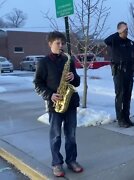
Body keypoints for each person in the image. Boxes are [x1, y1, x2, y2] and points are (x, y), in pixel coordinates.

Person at [33, 31, 83, 177]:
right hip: (55, 104)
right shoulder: (43, 62)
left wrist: (74, 76)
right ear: (50, 44)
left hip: (70, 103)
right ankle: (56, 163)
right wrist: (50, 95)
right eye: (57, 43)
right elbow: (37, 84)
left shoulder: (68, 60)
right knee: (55, 136)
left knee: (71, 135)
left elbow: (77, 82)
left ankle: (72, 160)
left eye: (62, 43)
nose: (61, 46)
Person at [104, 21, 134, 128]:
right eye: (124, 30)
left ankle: (127, 118)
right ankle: (120, 119)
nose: (126, 32)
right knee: (120, 95)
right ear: (119, 30)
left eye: (127, 30)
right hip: (119, 72)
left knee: (128, 96)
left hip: (128, 73)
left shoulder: (130, 43)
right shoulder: (115, 41)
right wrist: (117, 33)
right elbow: (106, 41)